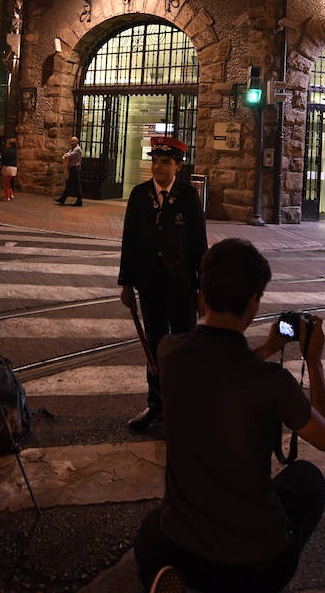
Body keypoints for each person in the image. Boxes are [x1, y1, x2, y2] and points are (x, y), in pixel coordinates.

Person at [133, 238, 325, 593]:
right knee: (307, 479)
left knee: (151, 531)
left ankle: (167, 575)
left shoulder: (169, 354)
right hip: (255, 561)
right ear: (254, 303)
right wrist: (314, 363)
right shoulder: (271, 382)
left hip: (183, 543)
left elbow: (221, 370)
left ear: (203, 295)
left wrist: (268, 348)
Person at [118, 135, 207, 432]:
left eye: (165, 162)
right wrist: (127, 284)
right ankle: (156, 404)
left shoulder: (188, 197)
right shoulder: (139, 194)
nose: (157, 167)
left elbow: (199, 246)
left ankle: (183, 406)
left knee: (182, 344)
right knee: (154, 344)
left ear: (177, 166)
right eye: (154, 161)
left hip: (181, 286)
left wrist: (202, 289)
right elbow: (129, 241)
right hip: (149, 284)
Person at [56, 134, 83, 206]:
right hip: (73, 168)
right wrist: (66, 155)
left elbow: (69, 156)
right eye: (71, 141)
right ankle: (63, 199)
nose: (71, 143)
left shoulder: (77, 149)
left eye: (73, 141)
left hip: (75, 169)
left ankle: (79, 201)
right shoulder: (73, 149)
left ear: (77, 142)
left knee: (76, 185)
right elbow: (68, 153)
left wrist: (65, 155)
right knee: (69, 185)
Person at [0, 136, 18, 201]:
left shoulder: (7, 151)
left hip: (7, 168)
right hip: (14, 168)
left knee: (6, 183)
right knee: (9, 182)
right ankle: (11, 194)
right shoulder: (15, 151)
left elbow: (3, 160)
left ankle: (7, 196)